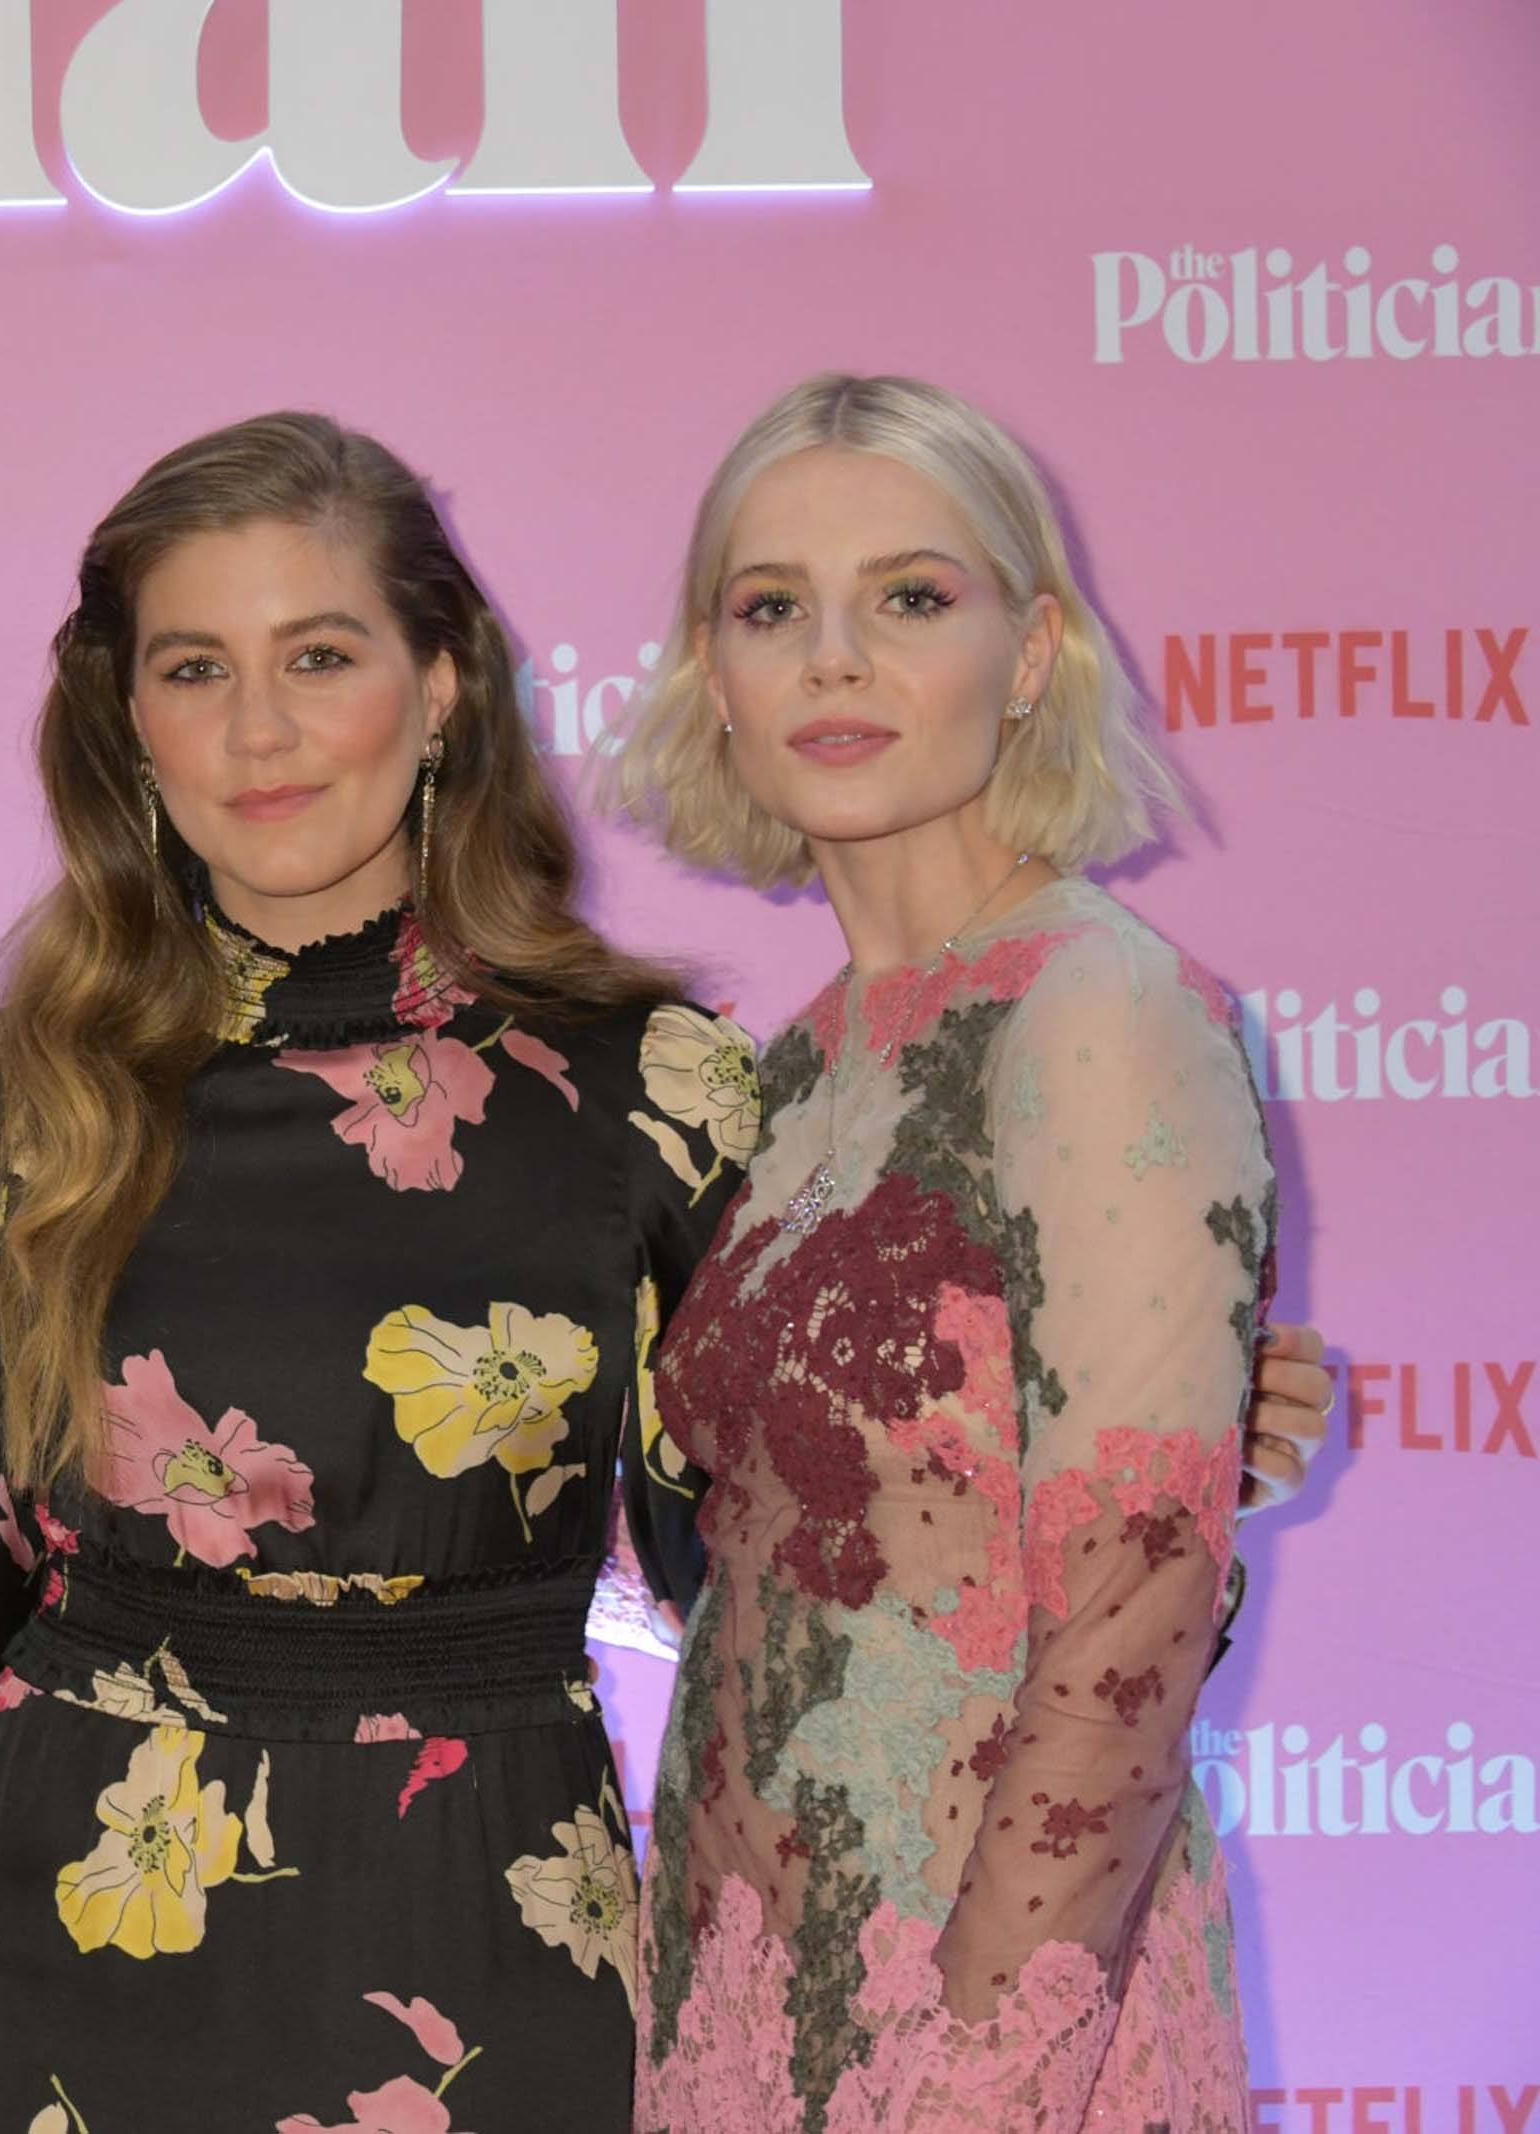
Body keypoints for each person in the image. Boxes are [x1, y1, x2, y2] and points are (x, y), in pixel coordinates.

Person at [0, 413, 1329, 2134]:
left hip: (484, 1935)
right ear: (126, 712)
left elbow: (767, 1544)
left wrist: (1170, 1427)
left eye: (323, 654)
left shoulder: (651, 1082)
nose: (260, 727)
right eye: (196, 664)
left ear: (442, 690)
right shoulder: (12, 1087)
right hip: (69, 1940)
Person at [614, 375, 1270, 2129]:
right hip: (735, 2003)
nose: (835, 660)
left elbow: (1131, 1612)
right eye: (774, 610)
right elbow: (734, 1547)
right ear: (716, 675)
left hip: (987, 2030)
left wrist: (978, 2072)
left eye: (910, 597)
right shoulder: (798, 1063)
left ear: (1033, 647)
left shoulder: (1099, 1006)